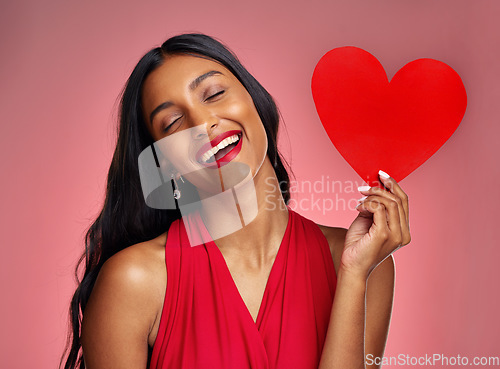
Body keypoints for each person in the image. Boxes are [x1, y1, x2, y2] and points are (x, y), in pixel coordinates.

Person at [60, 33, 411, 369]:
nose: (203, 123)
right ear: (164, 163)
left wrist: (352, 276)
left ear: (255, 100)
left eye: (213, 94)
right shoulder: (134, 281)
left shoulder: (364, 266)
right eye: (173, 122)